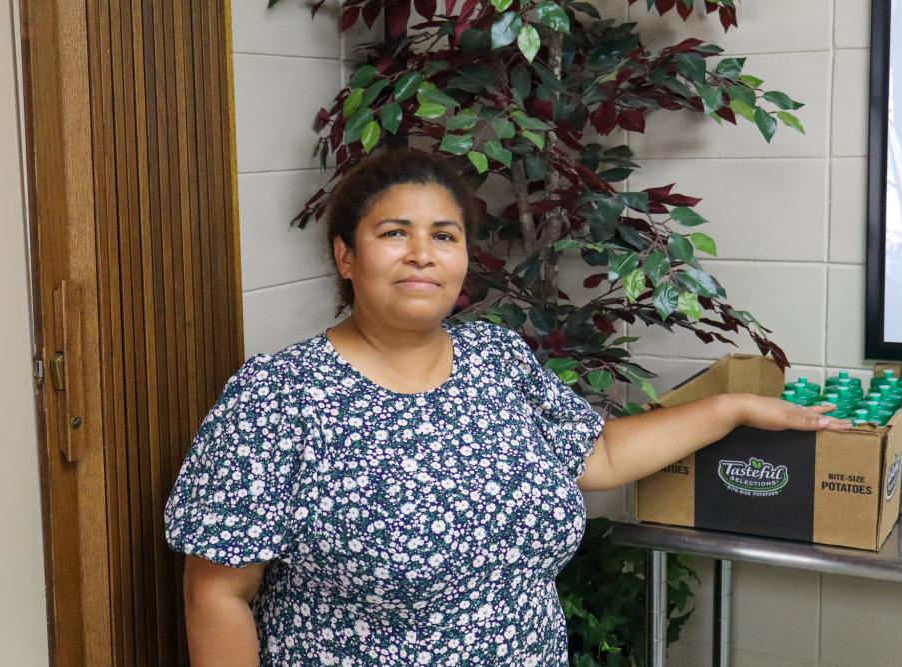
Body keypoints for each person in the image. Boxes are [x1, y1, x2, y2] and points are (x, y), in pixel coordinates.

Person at [164, 148, 849, 666]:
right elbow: (216, 595)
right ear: (345, 255)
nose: (422, 255)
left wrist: (730, 409)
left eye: (445, 235)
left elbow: (600, 453)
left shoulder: (494, 357)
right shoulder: (278, 396)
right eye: (394, 233)